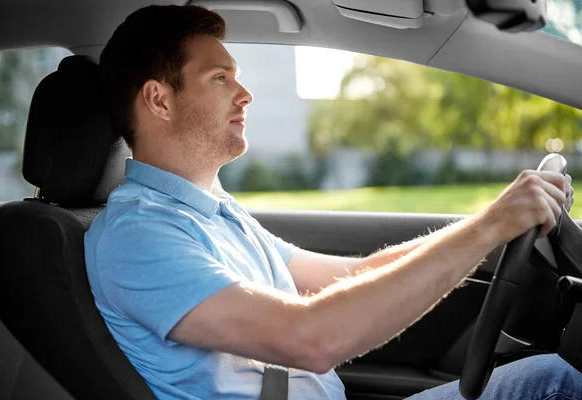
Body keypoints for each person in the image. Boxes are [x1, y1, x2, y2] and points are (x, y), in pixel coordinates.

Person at [84, 4, 581, 400]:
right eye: (220, 78)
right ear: (159, 100)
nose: (245, 94)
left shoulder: (211, 211)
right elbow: (310, 338)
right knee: (559, 385)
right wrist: (489, 227)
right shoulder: (138, 235)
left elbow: (352, 275)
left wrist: (489, 227)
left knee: (552, 376)